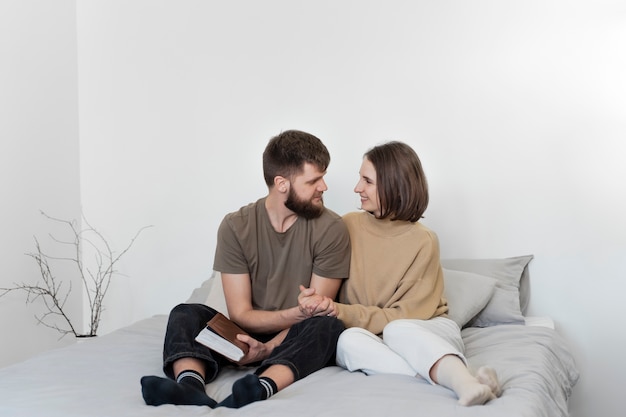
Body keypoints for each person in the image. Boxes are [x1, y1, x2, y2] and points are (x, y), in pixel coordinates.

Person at [141, 130, 351, 409]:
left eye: (323, 177)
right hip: (244, 332)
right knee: (185, 313)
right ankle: (189, 386)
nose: (324, 186)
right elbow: (241, 314)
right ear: (281, 183)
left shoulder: (331, 229)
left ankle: (259, 387)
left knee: (327, 325)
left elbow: (316, 311)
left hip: (296, 333)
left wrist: (269, 348)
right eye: (314, 180)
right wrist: (266, 333)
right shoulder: (236, 226)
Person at [299, 141, 501, 406]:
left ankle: (462, 383)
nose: (357, 188)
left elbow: (404, 317)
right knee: (346, 341)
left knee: (398, 331)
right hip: (371, 334)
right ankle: (465, 379)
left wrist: (340, 311)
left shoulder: (423, 240)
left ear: (393, 184)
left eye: (367, 181)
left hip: (424, 329)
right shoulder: (347, 225)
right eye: (360, 178)